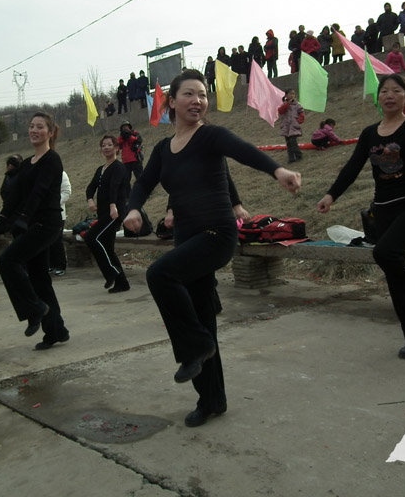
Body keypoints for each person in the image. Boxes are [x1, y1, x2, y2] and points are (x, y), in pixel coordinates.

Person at [123, 69, 301, 427]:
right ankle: (211, 400)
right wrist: (131, 208)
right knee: (202, 317)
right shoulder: (163, 149)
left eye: (202, 95)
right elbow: (143, 182)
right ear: (171, 102)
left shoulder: (211, 136)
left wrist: (277, 171)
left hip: (217, 235)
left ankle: (193, 349)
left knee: (159, 275)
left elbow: (243, 152)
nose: (198, 101)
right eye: (189, 94)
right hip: (186, 237)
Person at [316, 74, 405, 360]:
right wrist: (330, 195)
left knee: (386, 253)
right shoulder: (370, 133)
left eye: (396, 90)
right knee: (394, 272)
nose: (390, 95)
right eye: (384, 91)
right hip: (383, 209)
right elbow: (352, 166)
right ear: (379, 98)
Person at [0, 112, 70, 350]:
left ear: (50, 132)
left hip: (46, 224)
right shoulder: (26, 163)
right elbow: (15, 196)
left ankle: (34, 308)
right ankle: (56, 330)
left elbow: (39, 191)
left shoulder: (52, 159)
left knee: (7, 261)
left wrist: (24, 218)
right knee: (39, 279)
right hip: (32, 223)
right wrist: (3, 219)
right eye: (31, 126)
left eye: (40, 127)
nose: (34, 130)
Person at [85, 135, 130, 293]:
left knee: (92, 237)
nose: (106, 147)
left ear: (116, 148)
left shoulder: (118, 167)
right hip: (104, 212)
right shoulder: (101, 169)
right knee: (107, 247)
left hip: (114, 212)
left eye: (110, 145)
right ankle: (122, 283)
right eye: (103, 145)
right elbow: (90, 187)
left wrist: (112, 206)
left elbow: (114, 187)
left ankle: (111, 273)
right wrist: (90, 199)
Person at [48, 171, 71, 276]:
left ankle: (60, 265)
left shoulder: (61, 174)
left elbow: (66, 192)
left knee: (56, 240)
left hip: (58, 213)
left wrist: (53, 202)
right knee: (45, 241)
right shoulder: (39, 172)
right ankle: (49, 264)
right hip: (42, 214)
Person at [278, 89, 304, 163]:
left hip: (294, 126)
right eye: (290, 94)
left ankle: (299, 156)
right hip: (286, 126)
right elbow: (280, 111)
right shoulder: (284, 104)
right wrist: (287, 104)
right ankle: (291, 158)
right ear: (286, 95)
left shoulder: (297, 104)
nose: (292, 95)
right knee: (288, 143)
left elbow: (301, 112)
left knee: (293, 141)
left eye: (293, 94)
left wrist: (299, 120)